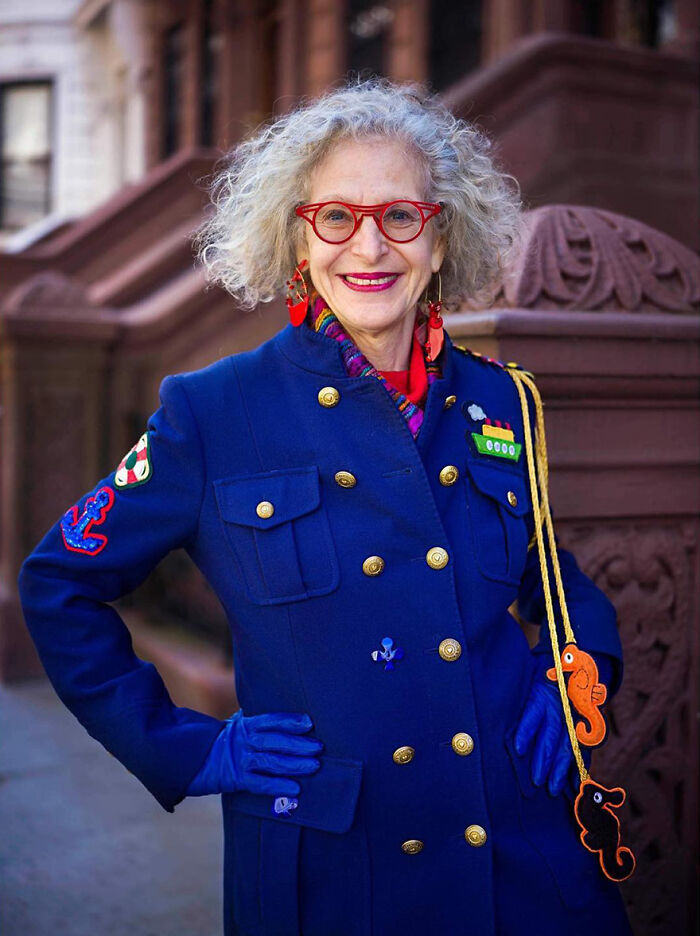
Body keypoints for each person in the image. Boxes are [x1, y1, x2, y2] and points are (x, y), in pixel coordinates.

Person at [18, 79, 634, 936]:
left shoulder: (502, 405)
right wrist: (187, 746)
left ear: (441, 232)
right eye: (336, 217)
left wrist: (575, 677)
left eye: (401, 217)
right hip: (336, 871)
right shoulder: (214, 411)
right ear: (296, 236)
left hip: (520, 852)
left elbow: (559, 587)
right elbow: (59, 584)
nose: (369, 246)